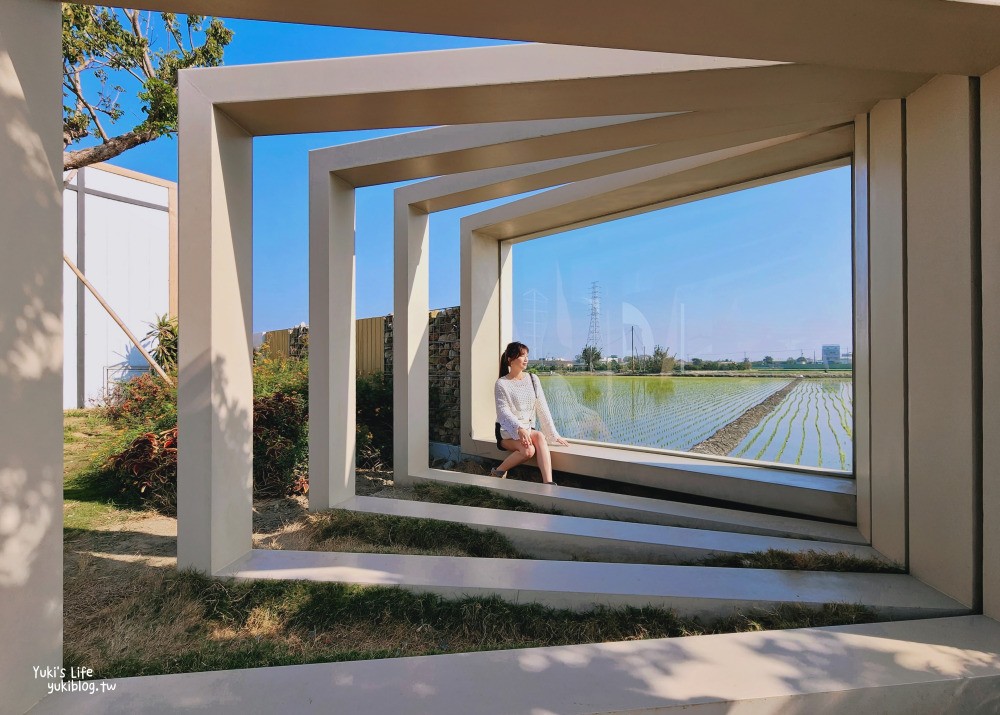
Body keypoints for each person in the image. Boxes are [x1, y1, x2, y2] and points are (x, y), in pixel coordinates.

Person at [492, 341, 569, 485]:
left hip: (527, 429)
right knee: (528, 451)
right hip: (506, 431)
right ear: (510, 359)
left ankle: (548, 483)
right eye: (522, 356)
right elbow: (503, 412)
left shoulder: (533, 379)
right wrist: (519, 428)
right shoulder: (501, 383)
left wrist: (553, 434)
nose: (526, 359)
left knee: (539, 436)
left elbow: (542, 407)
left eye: (527, 355)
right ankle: (498, 471)